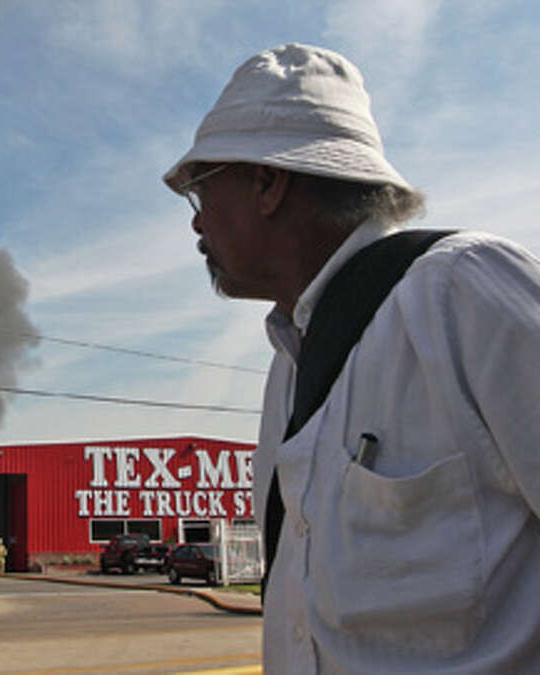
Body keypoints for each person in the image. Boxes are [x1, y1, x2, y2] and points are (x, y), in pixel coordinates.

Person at [164, 43, 540, 672]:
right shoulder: (289, 369)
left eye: (201, 193)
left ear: (268, 182)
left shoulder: (462, 291)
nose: (197, 226)